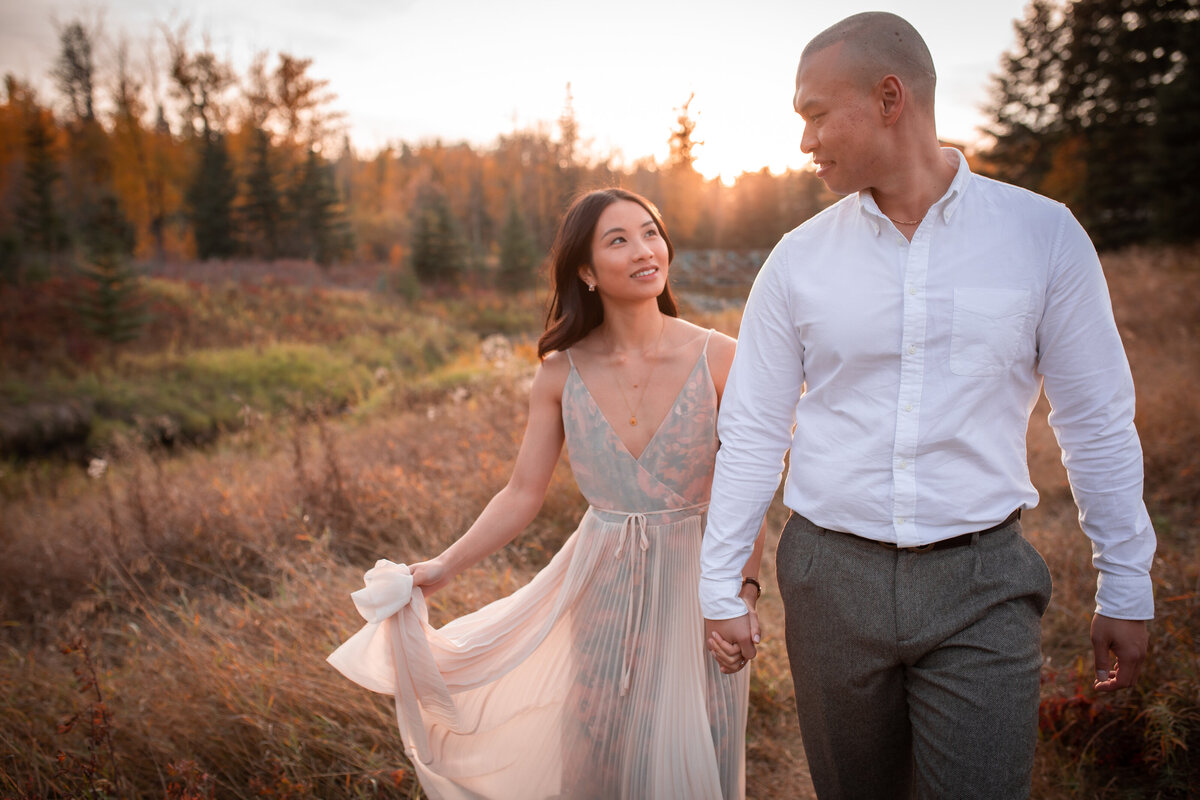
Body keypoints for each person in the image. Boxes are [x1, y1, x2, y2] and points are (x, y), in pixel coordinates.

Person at [699, 12, 1156, 800]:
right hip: (828, 578)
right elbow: (751, 431)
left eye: (813, 113)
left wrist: (1127, 581)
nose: (804, 141)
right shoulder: (797, 261)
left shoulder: (1043, 238)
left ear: (888, 98)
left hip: (981, 583)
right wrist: (718, 585)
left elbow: (1096, 419)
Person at [329, 187, 765, 800]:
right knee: (594, 749)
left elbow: (746, 492)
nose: (645, 250)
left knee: (694, 753)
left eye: (650, 232)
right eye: (619, 240)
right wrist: (443, 566)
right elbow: (521, 492)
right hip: (601, 585)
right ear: (585, 271)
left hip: (700, 587)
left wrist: (743, 593)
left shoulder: (722, 358)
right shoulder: (561, 371)